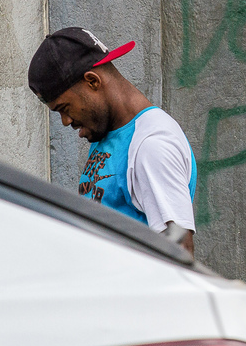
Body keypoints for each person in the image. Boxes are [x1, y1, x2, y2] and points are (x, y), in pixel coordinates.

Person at [28, 27, 197, 256]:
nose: (66, 121)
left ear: (92, 81)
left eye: (64, 108)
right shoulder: (110, 132)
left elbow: (179, 251)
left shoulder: (151, 144)